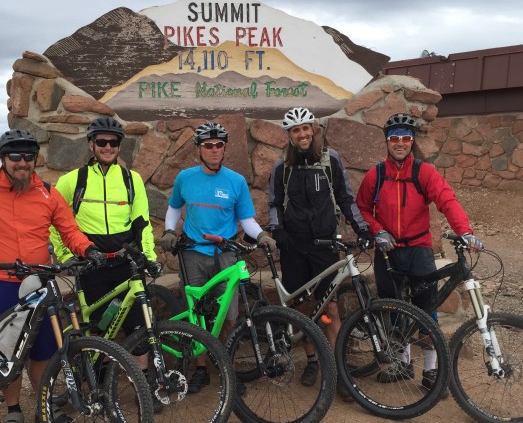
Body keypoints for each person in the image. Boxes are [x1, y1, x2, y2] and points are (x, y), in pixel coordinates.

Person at [0, 129, 107, 423]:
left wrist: (88, 250)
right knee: (6, 353)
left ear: (35, 160)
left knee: (43, 350)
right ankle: (12, 410)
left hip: (39, 282)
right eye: (15, 156)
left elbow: (69, 231)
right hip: (2, 283)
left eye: (28, 156)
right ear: (3, 159)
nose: (22, 162)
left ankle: (43, 406)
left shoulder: (47, 193)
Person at [355, 112, 483, 389]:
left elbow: (446, 200)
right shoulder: (375, 175)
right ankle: (401, 363)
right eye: (394, 138)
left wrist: (465, 231)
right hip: (388, 251)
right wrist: (377, 230)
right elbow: (362, 208)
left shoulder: (424, 172)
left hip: (418, 248)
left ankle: (431, 369)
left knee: (426, 309)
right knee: (392, 308)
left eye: (405, 138)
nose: (400, 143)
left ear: (412, 141)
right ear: (387, 142)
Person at [49, 115, 163, 410]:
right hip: (91, 265)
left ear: (119, 146)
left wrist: (148, 256)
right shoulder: (72, 181)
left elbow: (141, 223)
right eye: (102, 142)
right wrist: (66, 256)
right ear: (91, 144)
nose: (108, 147)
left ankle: (144, 389)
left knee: (138, 328)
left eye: (113, 143)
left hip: (125, 263)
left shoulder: (130, 179)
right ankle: (95, 388)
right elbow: (55, 221)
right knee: (95, 331)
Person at [160, 122, 276, 393]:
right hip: (193, 253)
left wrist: (260, 236)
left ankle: (229, 369)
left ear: (224, 148)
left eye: (219, 145)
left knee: (230, 315)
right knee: (197, 313)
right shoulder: (185, 178)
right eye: (208, 146)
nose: (214, 150)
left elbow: (246, 220)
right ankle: (201, 369)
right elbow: (174, 208)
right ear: (199, 149)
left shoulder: (235, 181)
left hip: (226, 253)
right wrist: (168, 230)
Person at [268, 107, 370, 401]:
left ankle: (337, 371)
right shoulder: (281, 167)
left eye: (306, 128)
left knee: (331, 308)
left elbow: (346, 198)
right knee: (302, 307)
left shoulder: (330, 160)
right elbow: (273, 204)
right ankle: (312, 361)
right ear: (289, 135)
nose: (302, 134)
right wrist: (278, 231)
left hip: (325, 245)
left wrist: (361, 228)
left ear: (313, 130)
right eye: (296, 130)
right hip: (294, 246)